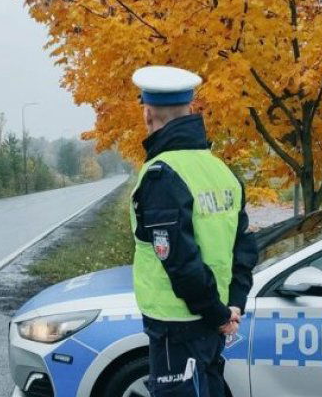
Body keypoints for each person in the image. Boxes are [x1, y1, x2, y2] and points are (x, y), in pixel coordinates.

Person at [129, 66, 258, 396]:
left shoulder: (161, 175)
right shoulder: (221, 171)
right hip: (215, 318)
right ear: (190, 109)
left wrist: (218, 315)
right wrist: (233, 307)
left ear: (147, 113)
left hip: (177, 323)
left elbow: (179, 262)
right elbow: (243, 247)